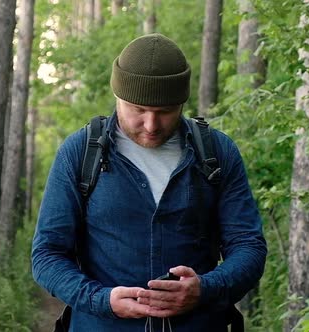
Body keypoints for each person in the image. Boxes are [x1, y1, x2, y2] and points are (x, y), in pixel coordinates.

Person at [32, 33, 267, 332]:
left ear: (182, 102)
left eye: (165, 111)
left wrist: (205, 289)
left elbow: (249, 246)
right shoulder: (80, 153)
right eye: (138, 109)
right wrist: (101, 300)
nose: (151, 125)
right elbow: (47, 254)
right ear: (118, 96)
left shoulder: (217, 153)